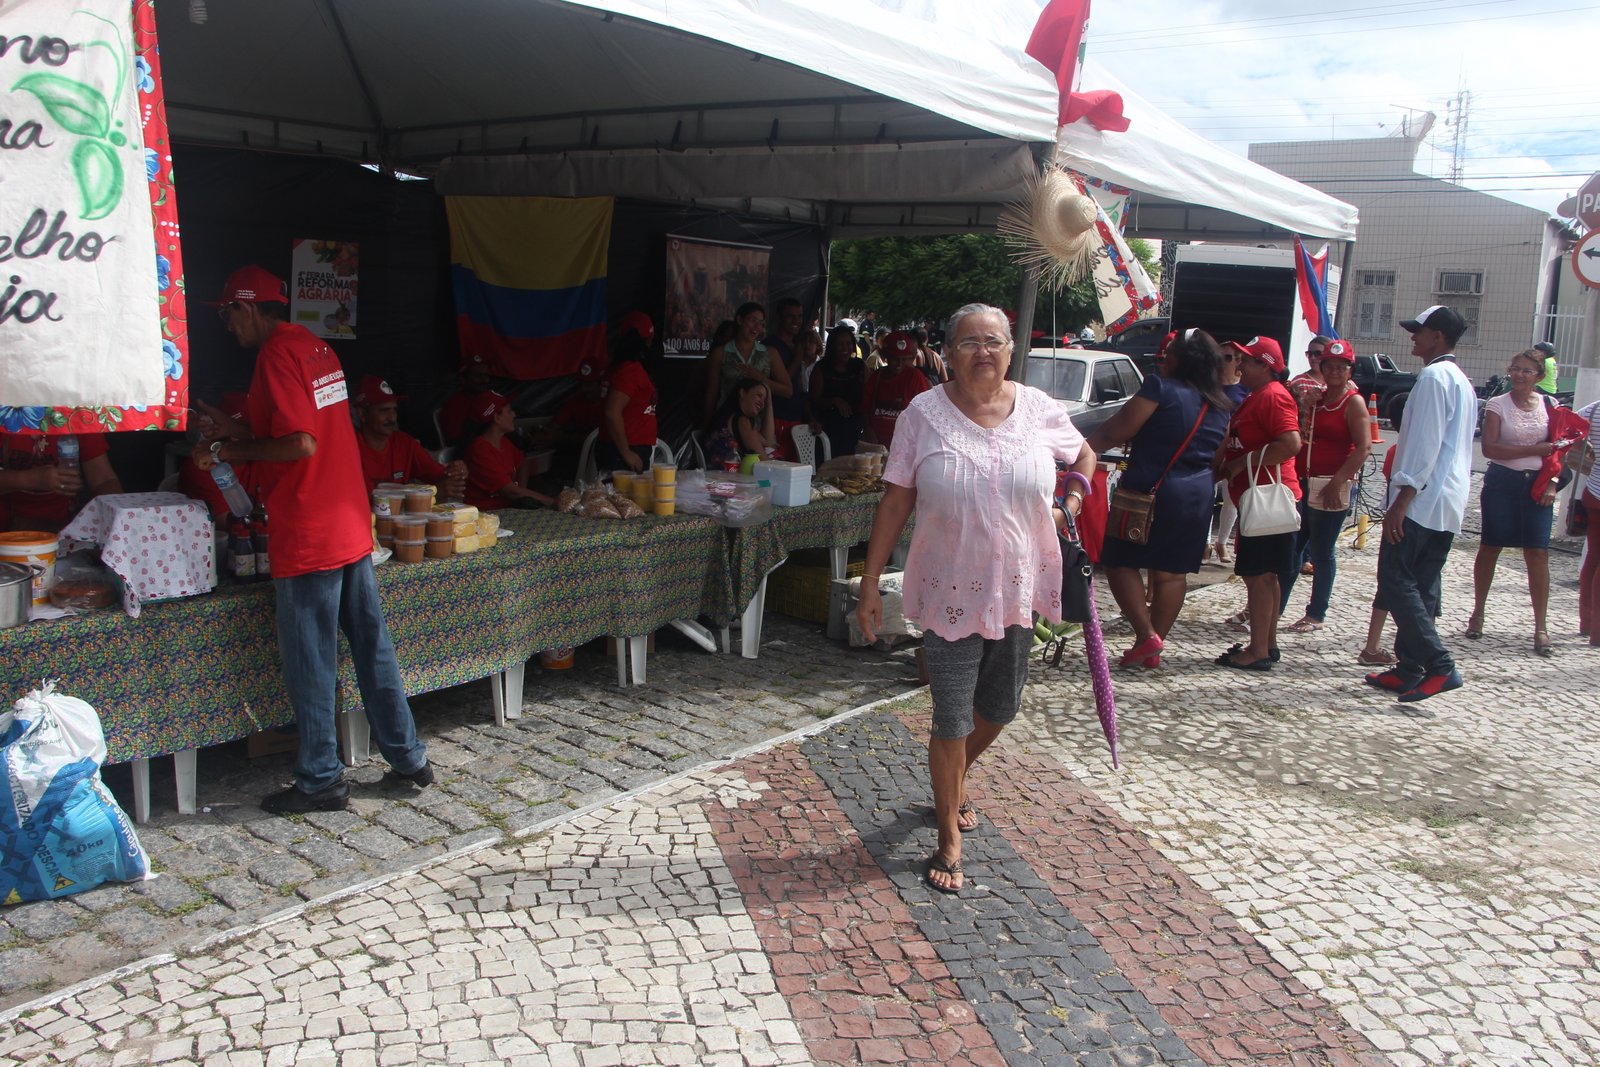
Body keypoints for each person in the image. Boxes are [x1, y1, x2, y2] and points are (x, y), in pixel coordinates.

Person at [856, 302, 1095, 895]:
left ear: (1011, 349)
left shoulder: (1039, 409)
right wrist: (868, 581)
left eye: (992, 340)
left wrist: (1078, 491)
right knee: (951, 716)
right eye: (968, 342)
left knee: (1002, 707)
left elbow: (1083, 454)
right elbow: (894, 500)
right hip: (949, 589)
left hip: (1018, 586)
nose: (982, 352)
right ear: (948, 352)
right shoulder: (923, 414)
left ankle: (954, 781)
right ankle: (948, 837)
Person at [193, 265, 430, 814]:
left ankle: (322, 778)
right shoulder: (316, 349)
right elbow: (307, 431)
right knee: (373, 647)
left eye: (228, 313)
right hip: (347, 523)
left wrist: (228, 452)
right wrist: (236, 430)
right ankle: (408, 756)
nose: (226, 325)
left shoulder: (275, 354)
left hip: (309, 530)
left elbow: (299, 444)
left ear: (248, 307)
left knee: (312, 658)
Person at [1087, 328, 1232, 668]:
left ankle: (1145, 634)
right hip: (1197, 493)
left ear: (1178, 358)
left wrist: (1078, 453)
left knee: (1120, 561)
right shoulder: (1221, 403)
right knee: (1172, 572)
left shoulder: (1159, 389)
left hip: (1149, 489)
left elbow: (1114, 431)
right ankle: (1152, 643)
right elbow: (1217, 455)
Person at [1365, 305, 1476, 702]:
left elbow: (1425, 444)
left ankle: (1439, 664)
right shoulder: (1461, 381)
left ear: (1439, 337)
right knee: (1423, 585)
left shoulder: (1433, 378)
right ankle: (1410, 667)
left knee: (1396, 581)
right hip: (1447, 499)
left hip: (1422, 499)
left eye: (1421, 331)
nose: (1414, 337)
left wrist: (1402, 499)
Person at [1212, 337, 1301, 671]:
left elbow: (1291, 443)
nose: (1239, 366)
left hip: (1266, 501)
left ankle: (1259, 649)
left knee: (1260, 578)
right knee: (1267, 577)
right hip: (1256, 501)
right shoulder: (1257, 397)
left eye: (1246, 361)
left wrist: (1239, 464)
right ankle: (1267, 643)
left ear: (1266, 366)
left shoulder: (1273, 396)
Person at [1465, 349, 1561, 656]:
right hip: (1502, 483)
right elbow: (1491, 448)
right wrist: (1535, 449)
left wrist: (1554, 480)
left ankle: (1541, 627)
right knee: (1491, 546)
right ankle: (1478, 611)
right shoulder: (1497, 404)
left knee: (1538, 552)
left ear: (1539, 377)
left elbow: (1558, 448)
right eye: (1515, 369)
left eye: (1526, 371)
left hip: (1538, 485)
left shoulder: (1550, 405)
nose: (1519, 375)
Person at [1279, 339, 1371, 634]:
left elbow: (1363, 447)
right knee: (1293, 548)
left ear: (1349, 370)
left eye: (1340, 366)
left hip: (1329, 483)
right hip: (1306, 480)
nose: (1333, 371)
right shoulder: (1317, 400)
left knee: (1321, 551)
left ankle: (1316, 612)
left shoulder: (1352, 402)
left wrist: (1339, 481)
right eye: (1328, 365)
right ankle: (1276, 606)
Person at [353, 376, 466, 498]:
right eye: (384, 410)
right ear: (362, 414)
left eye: (394, 410)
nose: (392, 418)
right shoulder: (349, 448)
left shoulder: (404, 443)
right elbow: (365, 502)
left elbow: (440, 475)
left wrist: (457, 471)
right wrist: (434, 493)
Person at [0, 429, 122, 532]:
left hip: (67, 528)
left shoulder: (79, 416)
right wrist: (34, 479)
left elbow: (103, 479)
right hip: (7, 530)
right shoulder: (5, 413)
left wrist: (120, 516)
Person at [702, 303, 792, 425]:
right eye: (752, 320)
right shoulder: (721, 353)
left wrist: (760, 378)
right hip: (726, 422)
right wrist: (707, 425)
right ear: (739, 320)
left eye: (761, 323)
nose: (756, 327)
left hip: (758, 425)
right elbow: (711, 394)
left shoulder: (769, 353)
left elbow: (787, 390)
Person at [462, 393, 555, 510]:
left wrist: (521, 492)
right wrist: (553, 502)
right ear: (497, 418)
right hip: (486, 514)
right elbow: (512, 492)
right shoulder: (480, 450)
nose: (514, 415)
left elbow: (522, 463)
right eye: (509, 411)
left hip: (507, 508)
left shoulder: (503, 441)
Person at [597, 314, 658, 473]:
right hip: (624, 451)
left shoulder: (621, 368)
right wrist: (626, 453)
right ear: (645, 342)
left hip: (623, 448)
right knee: (624, 498)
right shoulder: (630, 370)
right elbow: (611, 411)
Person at [1210, 338, 1249, 564]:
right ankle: (1205, 542)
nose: (1226, 362)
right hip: (1211, 443)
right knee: (1208, 494)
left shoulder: (1244, 388)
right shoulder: (1210, 384)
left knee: (1231, 498)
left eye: (1231, 358)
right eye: (1222, 357)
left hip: (1234, 445)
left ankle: (1222, 541)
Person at [861, 331, 931, 450]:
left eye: (904, 360)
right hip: (876, 445)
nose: (899, 364)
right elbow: (864, 408)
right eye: (895, 359)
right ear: (887, 357)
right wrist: (868, 430)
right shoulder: (877, 377)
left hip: (905, 446)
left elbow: (926, 414)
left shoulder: (915, 377)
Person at [810, 325, 866, 456]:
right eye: (840, 344)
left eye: (848, 343)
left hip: (854, 427)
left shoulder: (859, 366)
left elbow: (870, 391)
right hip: (828, 427)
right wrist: (834, 401)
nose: (845, 348)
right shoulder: (822, 368)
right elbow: (814, 400)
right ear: (832, 346)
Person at [704, 379, 776, 469]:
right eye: (759, 396)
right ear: (742, 393)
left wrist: (769, 403)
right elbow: (764, 461)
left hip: (717, 475)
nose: (762, 403)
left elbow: (767, 442)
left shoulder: (730, 415)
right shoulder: (742, 421)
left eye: (764, 400)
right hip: (725, 477)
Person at [1576, 396, 1600, 645]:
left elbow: (1568, 423)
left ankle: (1587, 621)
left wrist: (1589, 446)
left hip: (1593, 491)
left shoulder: (1594, 408)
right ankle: (1597, 632)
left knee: (1593, 557)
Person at [437, 353, 495, 448]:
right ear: (463, 379)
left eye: (486, 375)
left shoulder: (490, 399)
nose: (485, 380)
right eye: (478, 376)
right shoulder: (454, 406)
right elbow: (456, 443)